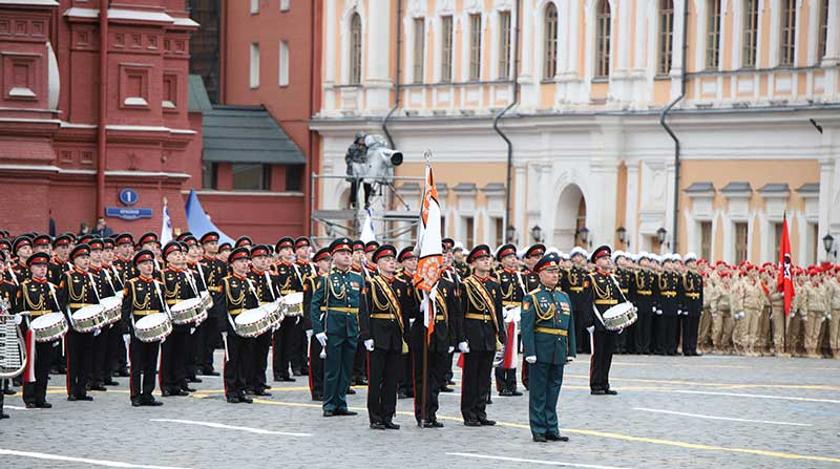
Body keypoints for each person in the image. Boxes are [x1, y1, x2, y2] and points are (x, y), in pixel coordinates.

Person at [521, 252, 575, 443]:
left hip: (558, 350)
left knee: (554, 391)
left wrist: (571, 351)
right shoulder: (532, 298)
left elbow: (570, 327)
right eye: (550, 271)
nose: (554, 275)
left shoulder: (563, 297)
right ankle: (538, 429)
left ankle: (552, 428)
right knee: (538, 392)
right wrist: (530, 351)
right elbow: (527, 328)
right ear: (540, 274)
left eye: (556, 272)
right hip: (541, 349)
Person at [310, 237, 366, 417]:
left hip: (351, 328)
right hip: (333, 328)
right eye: (342, 253)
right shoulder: (326, 279)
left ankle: (341, 403)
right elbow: (314, 305)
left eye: (349, 253)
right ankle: (329, 404)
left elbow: (362, 306)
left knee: (346, 369)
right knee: (332, 369)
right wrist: (318, 330)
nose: (347, 256)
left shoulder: (358, 278)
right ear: (333, 256)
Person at [459, 244, 506, 426]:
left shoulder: (495, 285)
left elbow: (498, 312)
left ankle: (481, 411)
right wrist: (462, 337)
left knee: (485, 376)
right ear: (473, 263)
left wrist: (500, 333)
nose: (486, 261)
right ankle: (469, 412)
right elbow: (460, 314)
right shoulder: (466, 285)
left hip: (488, 333)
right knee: (471, 375)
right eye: (481, 259)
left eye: (488, 258)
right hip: (473, 332)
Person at [13, 252, 62, 408]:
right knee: (31, 364)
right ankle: (29, 397)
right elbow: (19, 310)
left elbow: (56, 310)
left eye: (44, 266)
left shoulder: (51, 287)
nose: (42, 269)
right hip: (31, 329)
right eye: (38, 266)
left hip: (47, 329)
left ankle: (41, 397)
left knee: (44, 365)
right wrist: (23, 331)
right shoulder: (24, 287)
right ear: (31, 268)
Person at [121, 250, 165, 407]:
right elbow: (126, 309)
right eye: (145, 264)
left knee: (151, 362)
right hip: (137, 326)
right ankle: (135, 395)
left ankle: (148, 393)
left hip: (154, 326)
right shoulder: (131, 284)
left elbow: (162, 308)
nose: (149, 266)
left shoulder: (159, 285)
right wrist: (126, 330)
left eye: (151, 263)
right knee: (137, 363)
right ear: (138, 266)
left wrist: (164, 327)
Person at [59, 243, 100, 401]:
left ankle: (82, 388)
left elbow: (95, 300)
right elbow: (63, 300)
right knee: (74, 358)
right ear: (75, 260)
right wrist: (67, 322)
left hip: (88, 322)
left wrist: (97, 321)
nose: (86, 260)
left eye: (87, 257)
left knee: (86, 356)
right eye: (82, 258)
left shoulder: (91, 277)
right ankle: (72, 390)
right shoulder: (68, 276)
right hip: (74, 321)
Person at [584, 245, 622, 395]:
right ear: (597, 262)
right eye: (604, 258)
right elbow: (587, 302)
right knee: (598, 354)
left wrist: (620, 321)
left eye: (608, 258)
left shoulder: (614, 278)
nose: (608, 261)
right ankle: (595, 384)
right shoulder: (591, 279)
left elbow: (618, 300)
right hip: (599, 321)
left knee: (608, 354)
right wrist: (589, 323)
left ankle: (605, 382)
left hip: (612, 322)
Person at [221, 247, 256, 404]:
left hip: (248, 324)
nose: (244, 264)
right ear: (232, 264)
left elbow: (254, 305)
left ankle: (242, 388)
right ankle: (231, 390)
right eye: (240, 261)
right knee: (232, 359)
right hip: (232, 324)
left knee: (246, 358)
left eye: (245, 261)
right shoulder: (226, 282)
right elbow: (222, 306)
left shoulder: (250, 282)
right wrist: (224, 328)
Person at [306, 247, 332, 401]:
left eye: (330, 260)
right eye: (325, 261)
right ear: (317, 263)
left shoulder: (334, 279)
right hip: (318, 319)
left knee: (331, 356)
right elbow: (308, 304)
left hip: (332, 319)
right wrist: (309, 325)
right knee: (317, 356)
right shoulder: (312, 280)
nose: (328, 264)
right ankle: (317, 389)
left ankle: (328, 387)